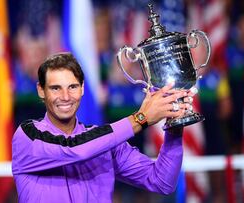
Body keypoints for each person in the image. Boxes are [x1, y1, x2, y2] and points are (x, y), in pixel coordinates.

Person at [12, 52, 194, 202]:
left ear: (83, 88)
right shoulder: (27, 135)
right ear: (41, 90)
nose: (65, 96)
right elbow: (74, 148)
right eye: (55, 88)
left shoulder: (105, 142)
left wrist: (174, 124)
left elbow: (162, 182)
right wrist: (141, 118)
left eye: (73, 87)